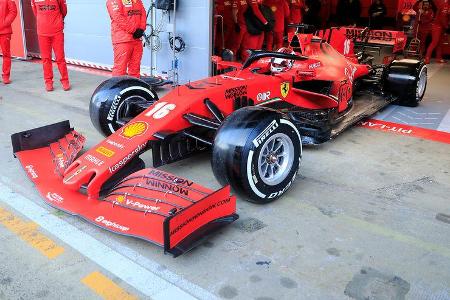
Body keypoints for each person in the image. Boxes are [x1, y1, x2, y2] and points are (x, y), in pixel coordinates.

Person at [31, 0, 70, 91]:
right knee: (45, 58)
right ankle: (48, 82)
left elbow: (64, 10)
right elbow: (35, 11)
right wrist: (43, 21)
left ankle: (65, 81)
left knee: (60, 58)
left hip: (57, 31)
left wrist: (57, 21)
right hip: (42, 32)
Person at [106, 0, 146, 78]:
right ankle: (118, 89)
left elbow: (143, 12)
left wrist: (141, 28)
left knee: (135, 68)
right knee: (120, 69)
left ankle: (133, 88)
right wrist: (134, 30)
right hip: (123, 40)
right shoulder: (112, 1)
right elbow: (118, 17)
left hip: (137, 39)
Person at [0, 0, 17, 84]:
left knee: (6, 54)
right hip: (4, 30)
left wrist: (4, 23)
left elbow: (13, 11)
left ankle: (5, 76)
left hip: (4, 32)